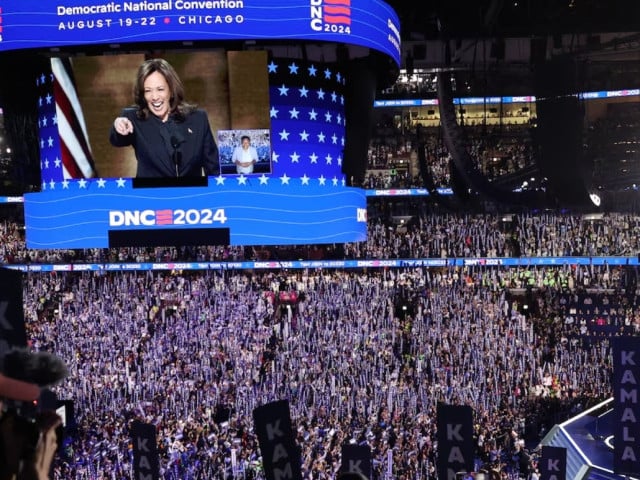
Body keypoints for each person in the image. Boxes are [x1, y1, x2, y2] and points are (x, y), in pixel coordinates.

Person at [109, 58, 219, 178]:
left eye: (160, 89)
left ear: (171, 90)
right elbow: (117, 140)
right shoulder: (134, 118)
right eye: (148, 91)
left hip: (191, 195)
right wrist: (118, 125)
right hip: (152, 195)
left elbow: (214, 169)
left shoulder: (197, 119)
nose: (154, 97)